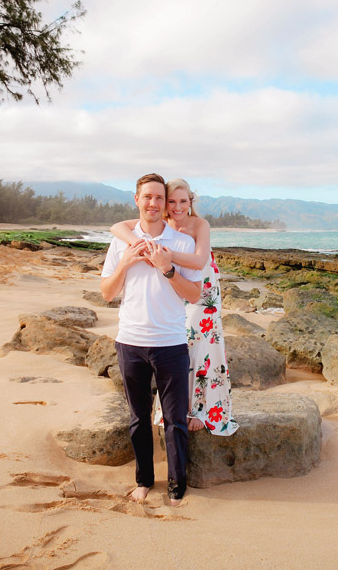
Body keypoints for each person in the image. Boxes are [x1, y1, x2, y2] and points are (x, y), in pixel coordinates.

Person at [100, 173, 202, 506]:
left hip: (171, 343)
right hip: (130, 340)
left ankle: (177, 486)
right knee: (138, 418)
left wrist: (167, 268)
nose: (155, 203)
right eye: (148, 197)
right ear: (137, 200)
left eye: (160, 198)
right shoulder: (122, 242)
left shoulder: (182, 244)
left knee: (175, 421)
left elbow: (195, 295)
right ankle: (144, 480)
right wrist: (126, 263)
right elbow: (106, 293)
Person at [110, 178, 239, 437]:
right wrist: (144, 246)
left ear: (191, 202)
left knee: (203, 345)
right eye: (172, 201)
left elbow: (199, 260)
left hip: (203, 290)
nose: (177, 207)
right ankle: (180, 407)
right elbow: (116, 227)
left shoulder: (199, 224)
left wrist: (163, 254)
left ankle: (204, 410)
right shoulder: (163, 225)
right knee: (179, 349)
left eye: (183, 201)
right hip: (173, 287)